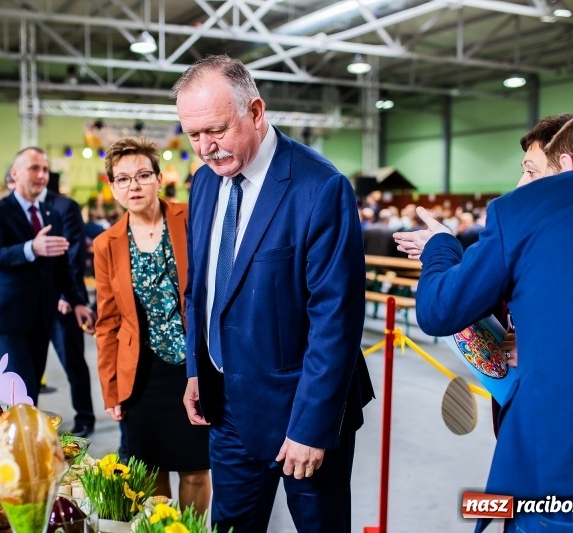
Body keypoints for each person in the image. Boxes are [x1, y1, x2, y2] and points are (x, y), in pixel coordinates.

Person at [393, 110, 573, 532]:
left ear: (568, 166)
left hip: (564, 471)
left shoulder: (527, 211)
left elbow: (438, 310)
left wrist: (441, 248)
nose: (522, 184)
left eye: (533, 171)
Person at [173, 55, 373, 532]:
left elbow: (336, 321)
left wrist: (310, 427)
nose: (205, 147)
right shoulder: (204, 183)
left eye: (216, 130)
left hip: (300, 417)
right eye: (193, 135)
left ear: (256, 111)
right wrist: (197, 369)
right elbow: (199, 287)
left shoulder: (320, 187)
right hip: (225, 409)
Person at [93, 137, 211, 515]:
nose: (135, 186)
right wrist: (111, 390)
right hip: (141, 373)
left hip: (192, 367)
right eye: (123, 179)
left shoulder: (191, 218)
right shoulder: (106, 243)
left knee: (196, 469)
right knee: (149, 471)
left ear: (159, 179)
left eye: (143, 175)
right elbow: (107, 322)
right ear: (112, 187)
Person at [0, 147, 93, 404]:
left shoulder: (49, 213)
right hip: (8, 317)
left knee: (31, 393)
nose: (41, 175)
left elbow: (61, 264)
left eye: (44, 169)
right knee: (22, 391)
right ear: (15, 173)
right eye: (34, 168)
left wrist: (76, 301)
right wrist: (30, 248)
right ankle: (18, 442)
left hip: (41, 314)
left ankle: (27, 441)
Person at [39, 185, 96, 437]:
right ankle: (27, 424)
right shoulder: (13, 210)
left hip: (63, 301)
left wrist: (67, 294)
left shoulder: (64, 206)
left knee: (73, 362)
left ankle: (85, 418)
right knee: (28, 370)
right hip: (30, 303)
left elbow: (74, 251)